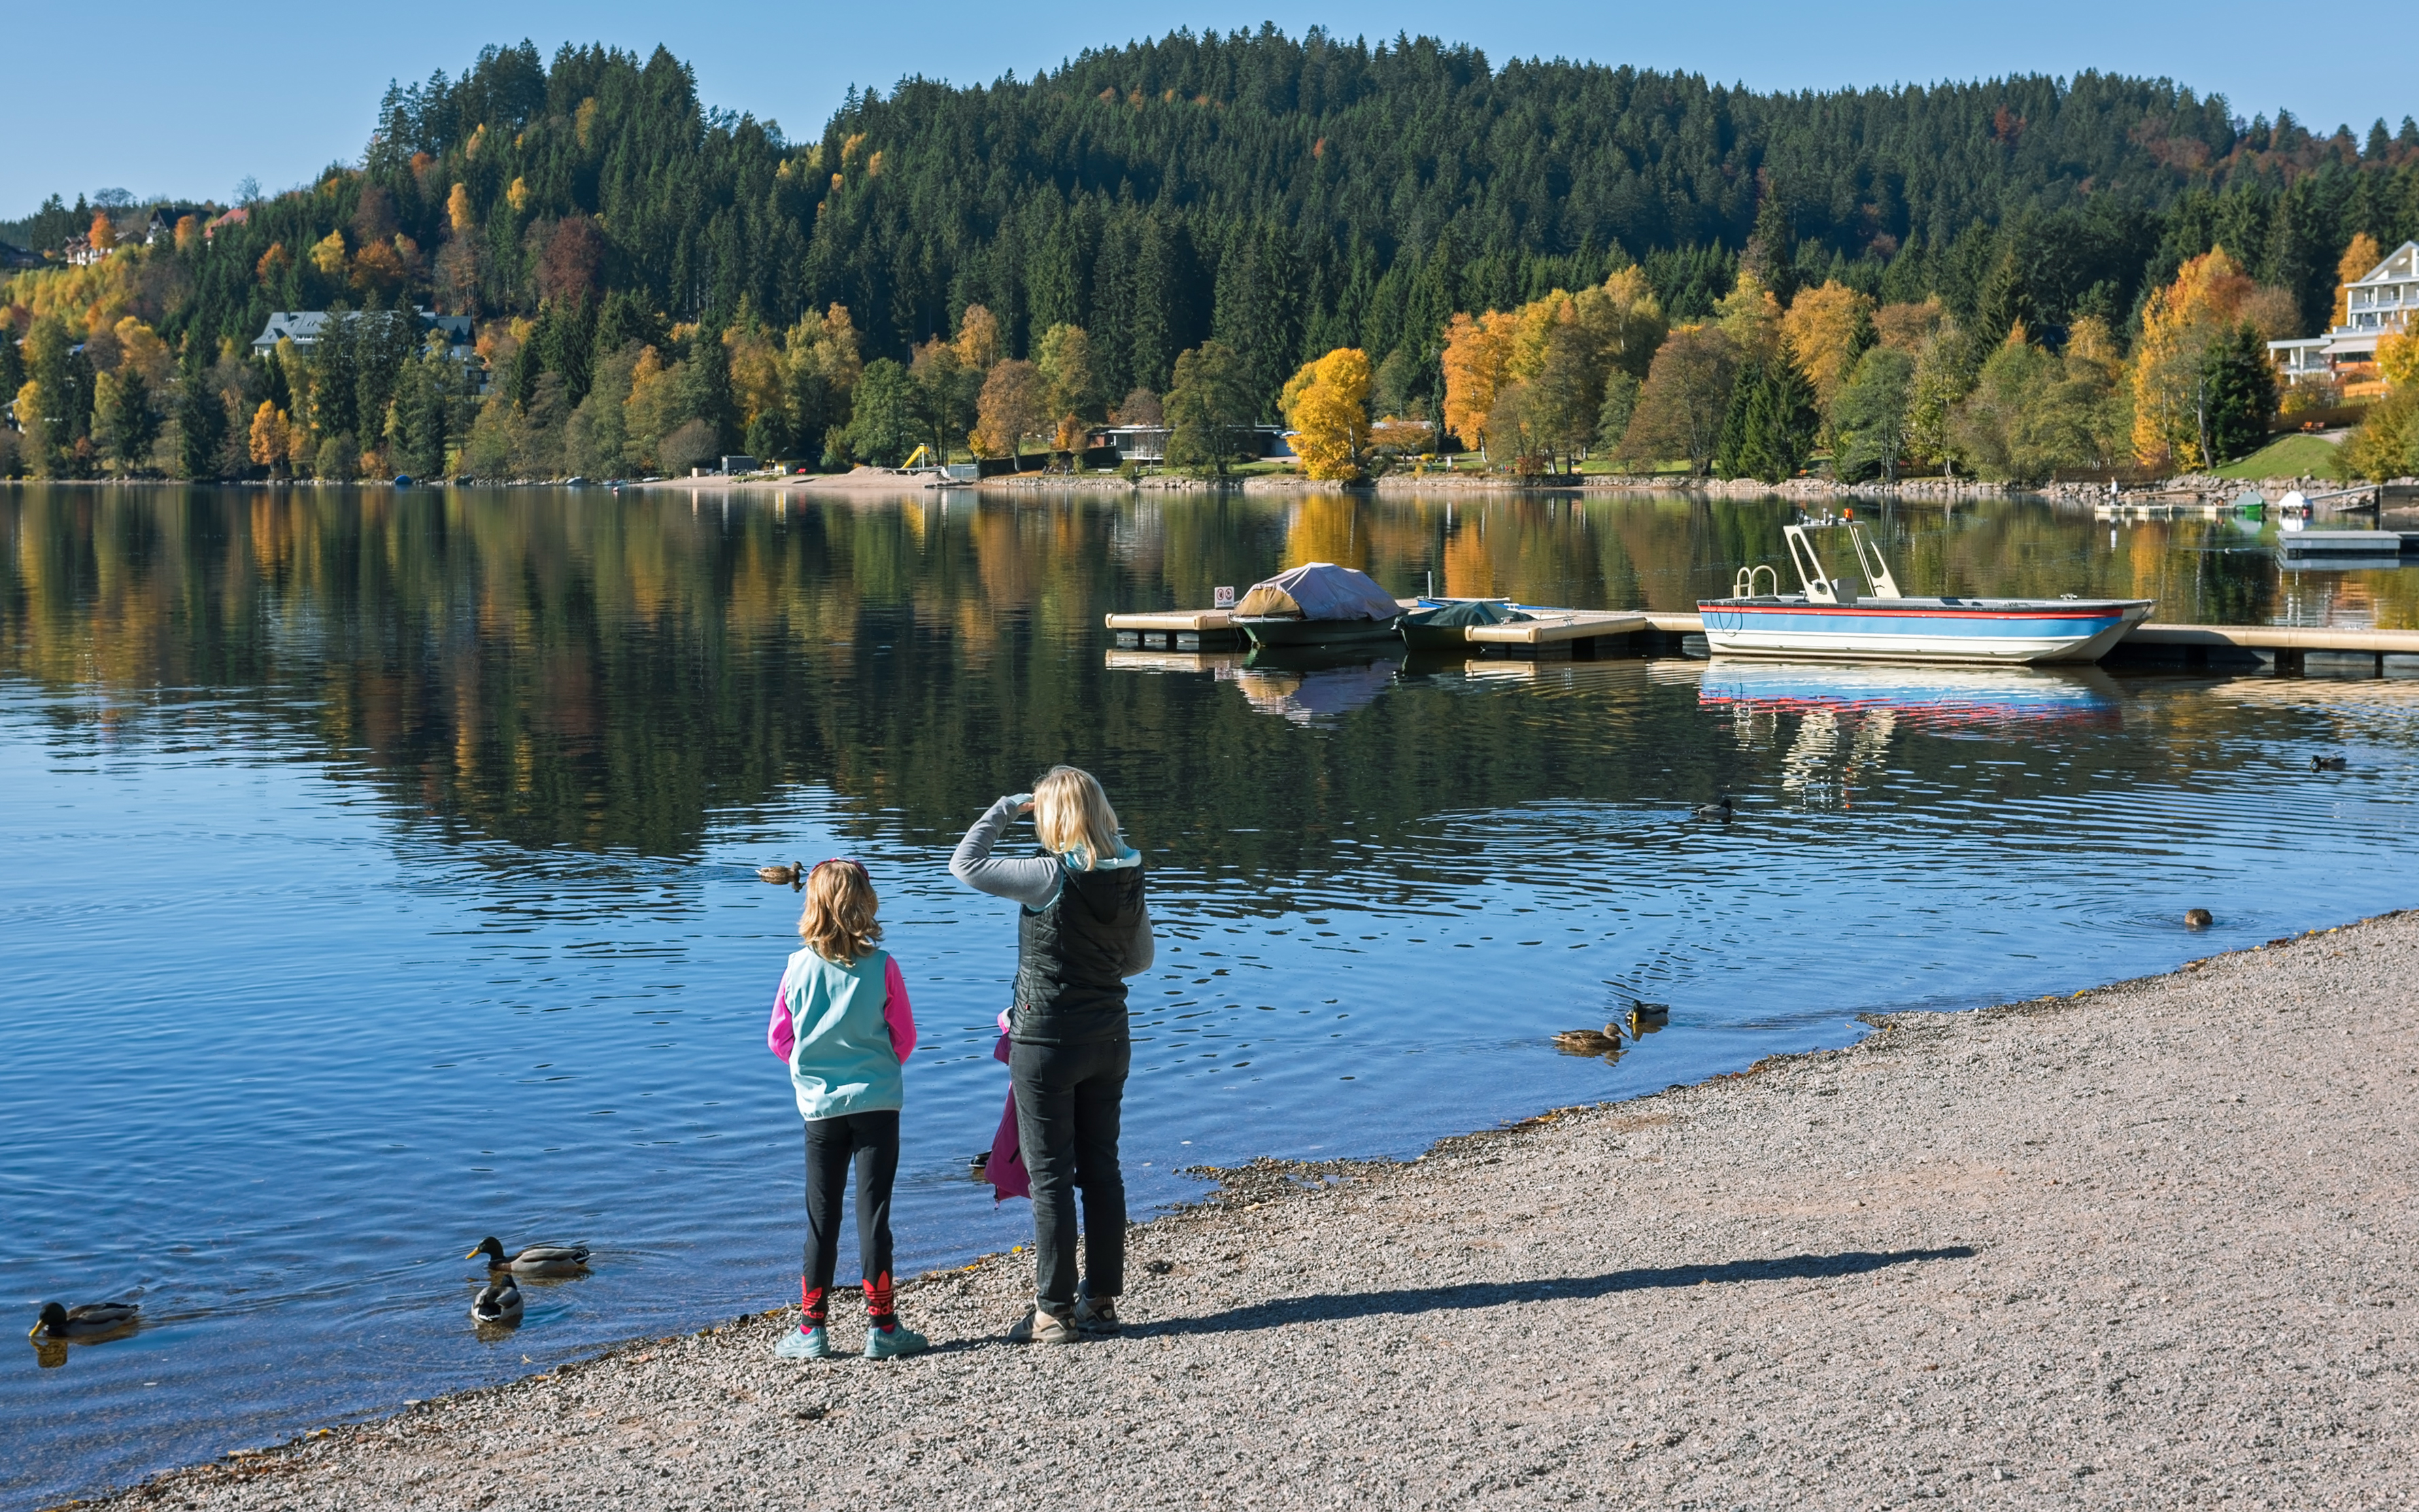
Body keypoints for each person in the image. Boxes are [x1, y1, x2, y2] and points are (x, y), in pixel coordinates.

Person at [951, 766, 1153, 1344]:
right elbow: (1138, 961)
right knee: (1102, 1170)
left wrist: (1002, 807)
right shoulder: (1128, 872)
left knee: (1051, 1180)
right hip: (1110, 1038)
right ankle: (1101, 1302)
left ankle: (1052, 1311)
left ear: (1052, 816)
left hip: (1047, 1043)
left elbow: (963, 865)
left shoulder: (1048, 874)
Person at [766, 859, 928, 1360]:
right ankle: (881, 1327)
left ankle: (812, 1330)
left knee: (821, 1217)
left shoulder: (796, 966)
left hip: (820, 1107)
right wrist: (876, 1067)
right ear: (865, 903)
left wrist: (812, 1068)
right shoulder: (884, 966)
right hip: (878, 1102)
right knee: (873, 1215)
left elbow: (779, 1039)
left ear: (811, 904)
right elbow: (905, 1038)